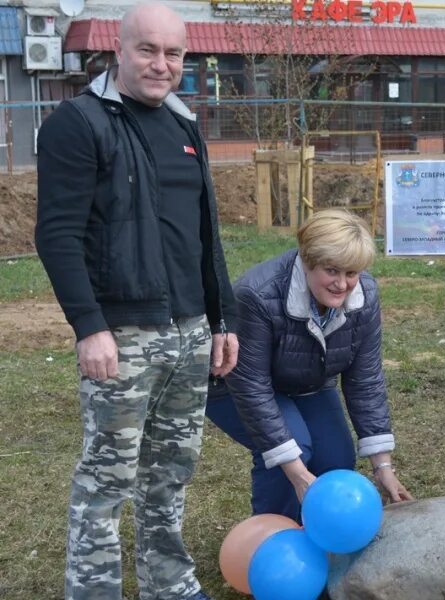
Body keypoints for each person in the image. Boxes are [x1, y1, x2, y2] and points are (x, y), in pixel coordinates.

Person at [34, 3, 237, 600]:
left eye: (172, 53)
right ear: (118, 50)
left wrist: (222, 317)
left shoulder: (183, 124)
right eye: (147, 49)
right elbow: (57, 234)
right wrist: (88, 325)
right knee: (108, 479)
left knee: (170, 475)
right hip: (124, 335)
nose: (160, 63)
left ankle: (168, 587)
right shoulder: (80, 122)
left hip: (191, 332)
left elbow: (206, 234)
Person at [206, 209, 412, 522]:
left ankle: (321, 538)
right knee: (292, 450)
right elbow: (252, 387)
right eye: (332, 271)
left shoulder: (365, 295)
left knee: (336, 458)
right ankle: (273, 537)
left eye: (352, 273)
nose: (343, 284)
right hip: (234, 386)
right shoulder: (257, 295)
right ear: (307, 261)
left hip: (305, 382)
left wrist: (383, 467)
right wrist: (297, 473)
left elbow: (365, 380)